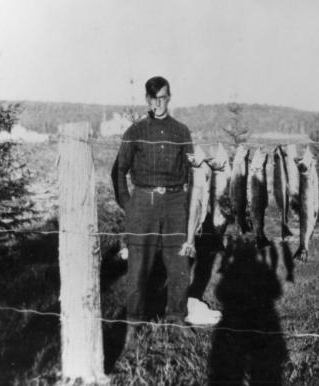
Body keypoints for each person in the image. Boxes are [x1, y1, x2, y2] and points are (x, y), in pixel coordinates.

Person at [112, 76, 218, 351]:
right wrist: (128, 204)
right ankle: (133, 324)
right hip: (142, 203)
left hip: (175, 202)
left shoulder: (181, 132)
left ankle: (177, 318)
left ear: (169, 98)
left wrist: (189, 206)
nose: (159, 103)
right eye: (154, 98)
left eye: (164, 98)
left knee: (179, 264)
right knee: (138, 267)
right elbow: (118, 171)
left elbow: (193, 172)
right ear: (147, 100)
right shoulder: (135, 131)